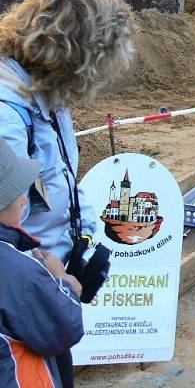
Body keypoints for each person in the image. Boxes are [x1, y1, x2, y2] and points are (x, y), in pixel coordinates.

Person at [0, 0, 135, 386]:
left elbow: (60, 178)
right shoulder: (7, 111)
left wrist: (84, 237)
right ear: (80, 55)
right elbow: (7, 224)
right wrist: (53, 279)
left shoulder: (45, 91)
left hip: (45, 286)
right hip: (22, 303)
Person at [0, 138, 85, 388]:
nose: (24, 199)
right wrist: (64, 284)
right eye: (16, 192)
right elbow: (61, 329)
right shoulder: (17, 270)